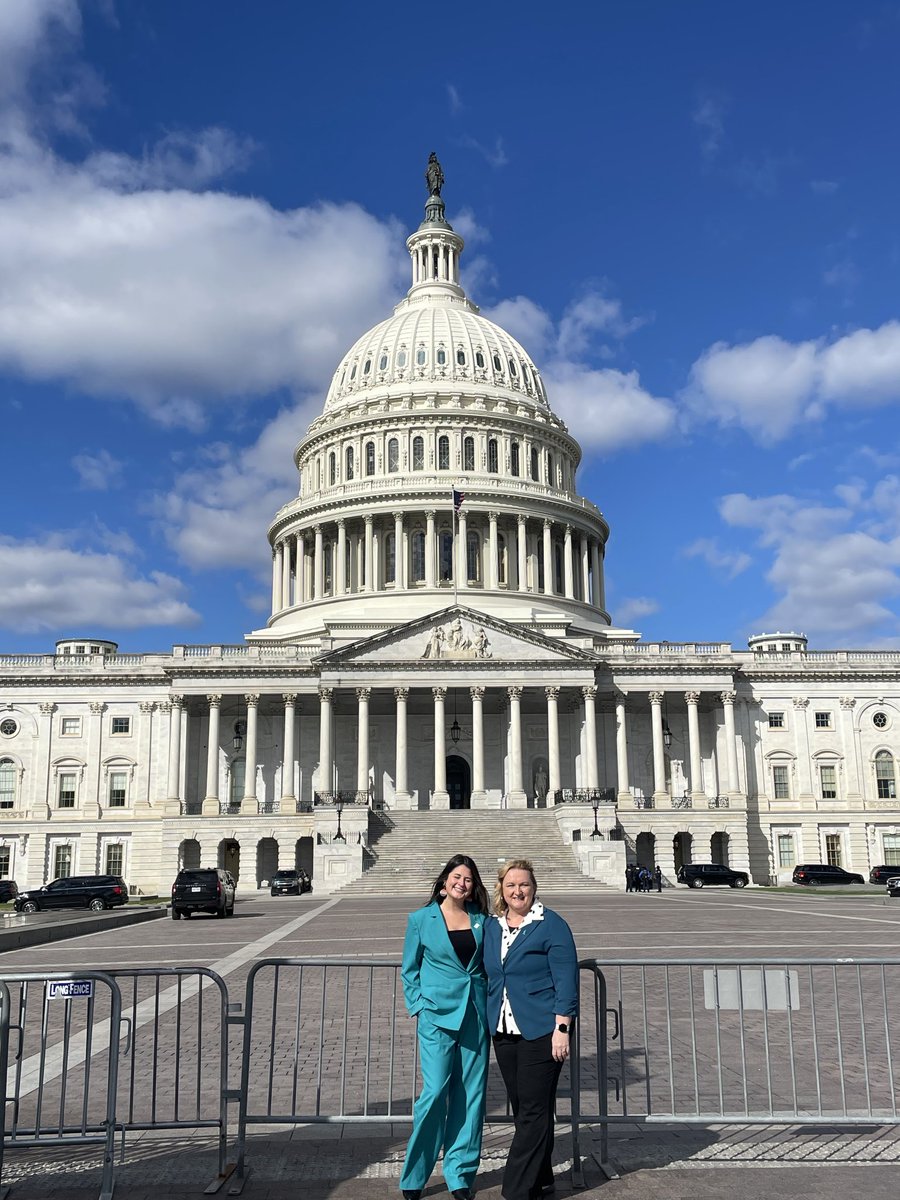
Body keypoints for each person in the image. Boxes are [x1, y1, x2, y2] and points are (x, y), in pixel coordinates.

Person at [484, 859, 578, 1200]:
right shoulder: (493, 926)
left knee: (535, 1109)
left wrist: (563, 1028)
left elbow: (567, 980)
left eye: (523, 884)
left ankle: (516, 1189)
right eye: (511, 885)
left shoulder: (551, 924)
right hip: (504, 1029)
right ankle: (542, 1177)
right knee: (524, 1107)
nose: (517, 891)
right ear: (502, 890)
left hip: (543, 1029)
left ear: (533, 887)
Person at [399, 854, 491, 1200]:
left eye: (468, 879)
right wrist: (419, 1006)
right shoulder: (421, 919)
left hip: (474, 1015)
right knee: (435, 1093)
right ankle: (415, 1174)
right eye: (456, 876)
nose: (461, 883)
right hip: (437, 1016)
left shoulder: (482, 920)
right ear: (443, 882)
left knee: (470, 1097)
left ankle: (460, 1174)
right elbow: (410, 969)